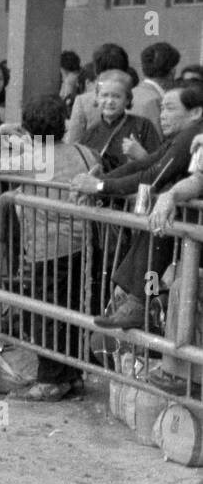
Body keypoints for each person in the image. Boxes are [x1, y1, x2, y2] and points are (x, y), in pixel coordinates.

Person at [0, 95, 101, 400]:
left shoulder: (34, 160)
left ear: (30, 129)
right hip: (84, 243)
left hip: (49, 247)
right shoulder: (84, 151)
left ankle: (51, 381)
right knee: (72, 311)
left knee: (43, 314)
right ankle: (71, 376)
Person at [70, 84, 203, 331]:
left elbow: (154, 174)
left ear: (195, 112)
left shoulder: (193, 134)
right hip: (180, 238)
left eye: (170, 108)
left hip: (191, 236)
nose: (162, 115)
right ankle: (138, 301)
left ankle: (140, 302)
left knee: (160, 231)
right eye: (161, 108)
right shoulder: (186, 136)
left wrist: (100, 186)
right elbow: (145, 165)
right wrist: (100, 181)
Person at [78, 70, 161, 170]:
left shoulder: (142, 126)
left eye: (116, 96)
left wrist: (142, 156)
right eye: (104, 95)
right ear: (97, 98)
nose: (109, 101)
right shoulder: (89, 134)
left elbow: (159, 168)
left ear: (127, 100)